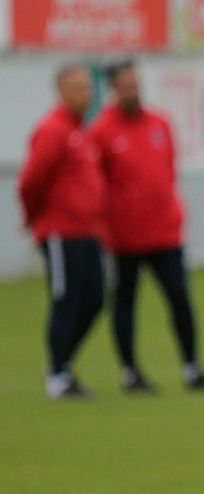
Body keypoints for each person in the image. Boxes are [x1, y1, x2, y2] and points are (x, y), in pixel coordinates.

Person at [89, 61, 204, 392]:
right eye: (126, 86)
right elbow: (95, 184)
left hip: (165, 233)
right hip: (124, 239)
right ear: (113, 89)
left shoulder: (159, 123)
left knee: (180, 298)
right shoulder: (101, 131)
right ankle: (130, 373)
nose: (133, 91)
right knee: (125, 303)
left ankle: (192, 368)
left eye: (136, 84)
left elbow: (168, 172)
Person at [17, 64, 105, 399]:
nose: (86, 94)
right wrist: (33, 217)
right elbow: (31, 181)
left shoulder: (81, 129)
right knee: (66, 300)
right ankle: (57, 375)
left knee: (95, 299)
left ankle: (62, 361)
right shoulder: (52, 129)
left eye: (88, 87)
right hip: (61, 232)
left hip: (89, 230)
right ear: (62, 91)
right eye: (78, 88)